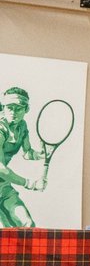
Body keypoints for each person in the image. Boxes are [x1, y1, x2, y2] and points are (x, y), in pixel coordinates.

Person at [0, 87, 45, 228]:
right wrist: (30, 183)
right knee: (5, 232)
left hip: (3, 186)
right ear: (3, 107)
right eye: (9, 108)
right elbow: (0, 168)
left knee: (28, 224)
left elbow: (27, 153)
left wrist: (41, 154)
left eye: (18, 108)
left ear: (26, 109)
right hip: (3, 176)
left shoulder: (22, 126)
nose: (13, 112)